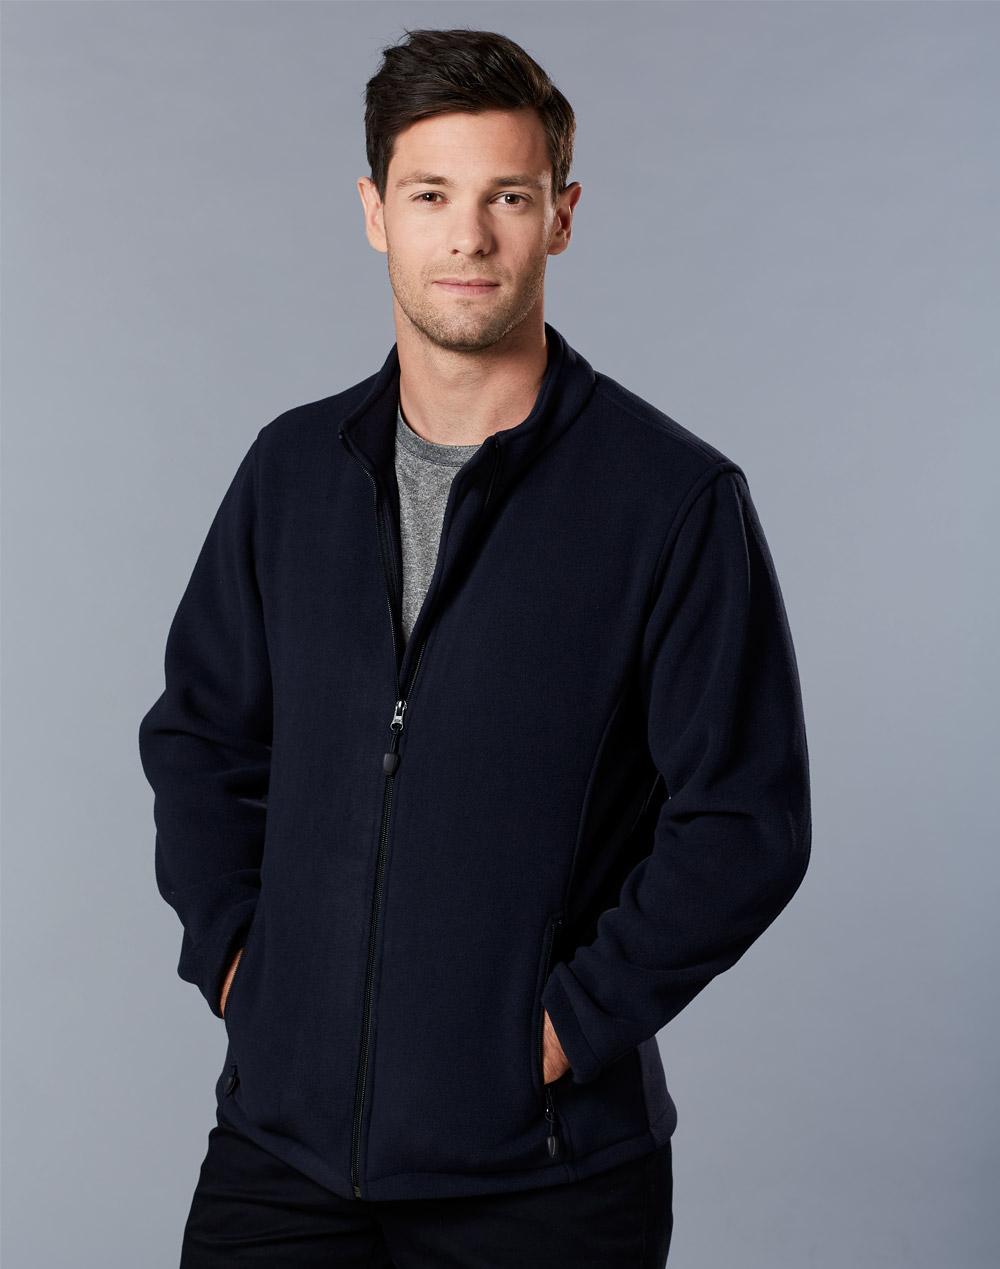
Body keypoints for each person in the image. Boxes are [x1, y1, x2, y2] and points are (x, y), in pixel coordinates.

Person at [138, 25, 811, 1268]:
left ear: (560, 216)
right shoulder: (290, 473)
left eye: (506, 195)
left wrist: (563, 1029)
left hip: (542, 1175)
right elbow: (199, 737)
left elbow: (744, 821)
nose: (468, 237)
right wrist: (238, 959)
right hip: (280, 1156)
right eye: (430, 195)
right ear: (373, 212)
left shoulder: (669, 501)